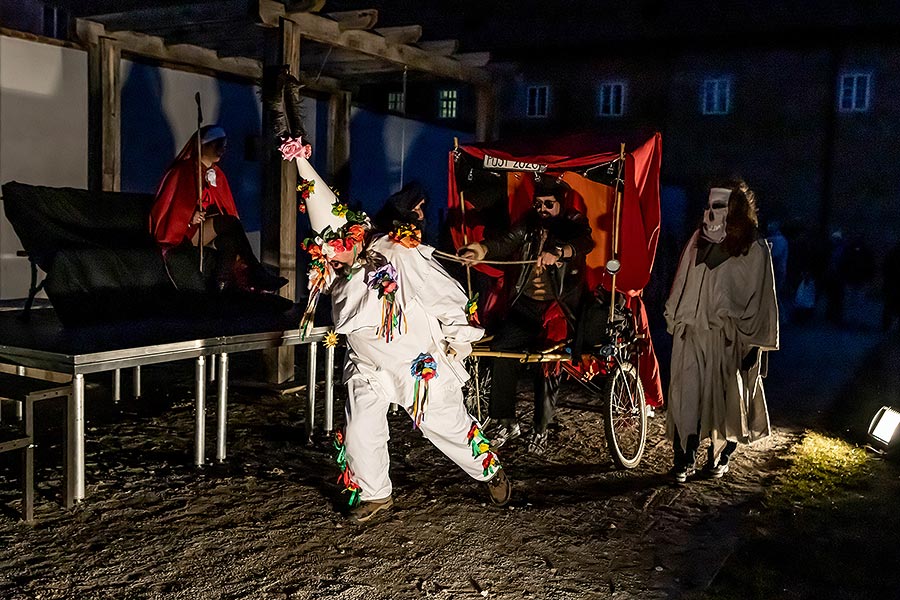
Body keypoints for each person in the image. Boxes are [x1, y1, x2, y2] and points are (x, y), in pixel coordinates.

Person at [294, 156, 511, 523]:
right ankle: (375, 494)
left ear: (355, 234)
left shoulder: (398, 253)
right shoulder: (330, 269)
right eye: (325, 251)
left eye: (337, 246)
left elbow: (445, 293)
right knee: (360, 429)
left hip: (416, 365)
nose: (333, 255)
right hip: (368, 367)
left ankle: (488, 469)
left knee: (446, 426)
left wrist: (460, 338)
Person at [458, 175, 595, 454]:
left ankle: (541, 428)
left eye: (548, 204)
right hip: (527, 305)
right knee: (500, 349)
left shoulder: (573, 221)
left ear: (560, 203)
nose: (542, 210)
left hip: (559, 308)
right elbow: (505, 242)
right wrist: (480, 249)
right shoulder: (529, 223)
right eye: (538, 204)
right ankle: (506, 421)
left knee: (548, 359)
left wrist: (559, 251)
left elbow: (584, 243)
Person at [665, 180, 779, 482]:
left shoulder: (753, 248)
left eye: (719, 206)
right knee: (686, 396)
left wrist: (754, 346)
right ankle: (684, 457)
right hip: (692, 332)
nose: (710, 213)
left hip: (729, 340)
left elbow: (763, 298)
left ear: (735, 209)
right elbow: (682, 282)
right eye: (709, 206)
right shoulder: (698, 241)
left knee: (725, 400)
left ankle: (719, 457)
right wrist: (677, 318)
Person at [149, 125, 288, 293]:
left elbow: (223, 206)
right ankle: (256, 271)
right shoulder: (183, 171)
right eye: (217, 144)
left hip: (204, 230)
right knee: (230, 222)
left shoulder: (217, 175)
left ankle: (220, 287)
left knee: (229, 240)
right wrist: (188, 217)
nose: (222, 149)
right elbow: (171, 207)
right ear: (203, 145)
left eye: (224, 144)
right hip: (184, 233)